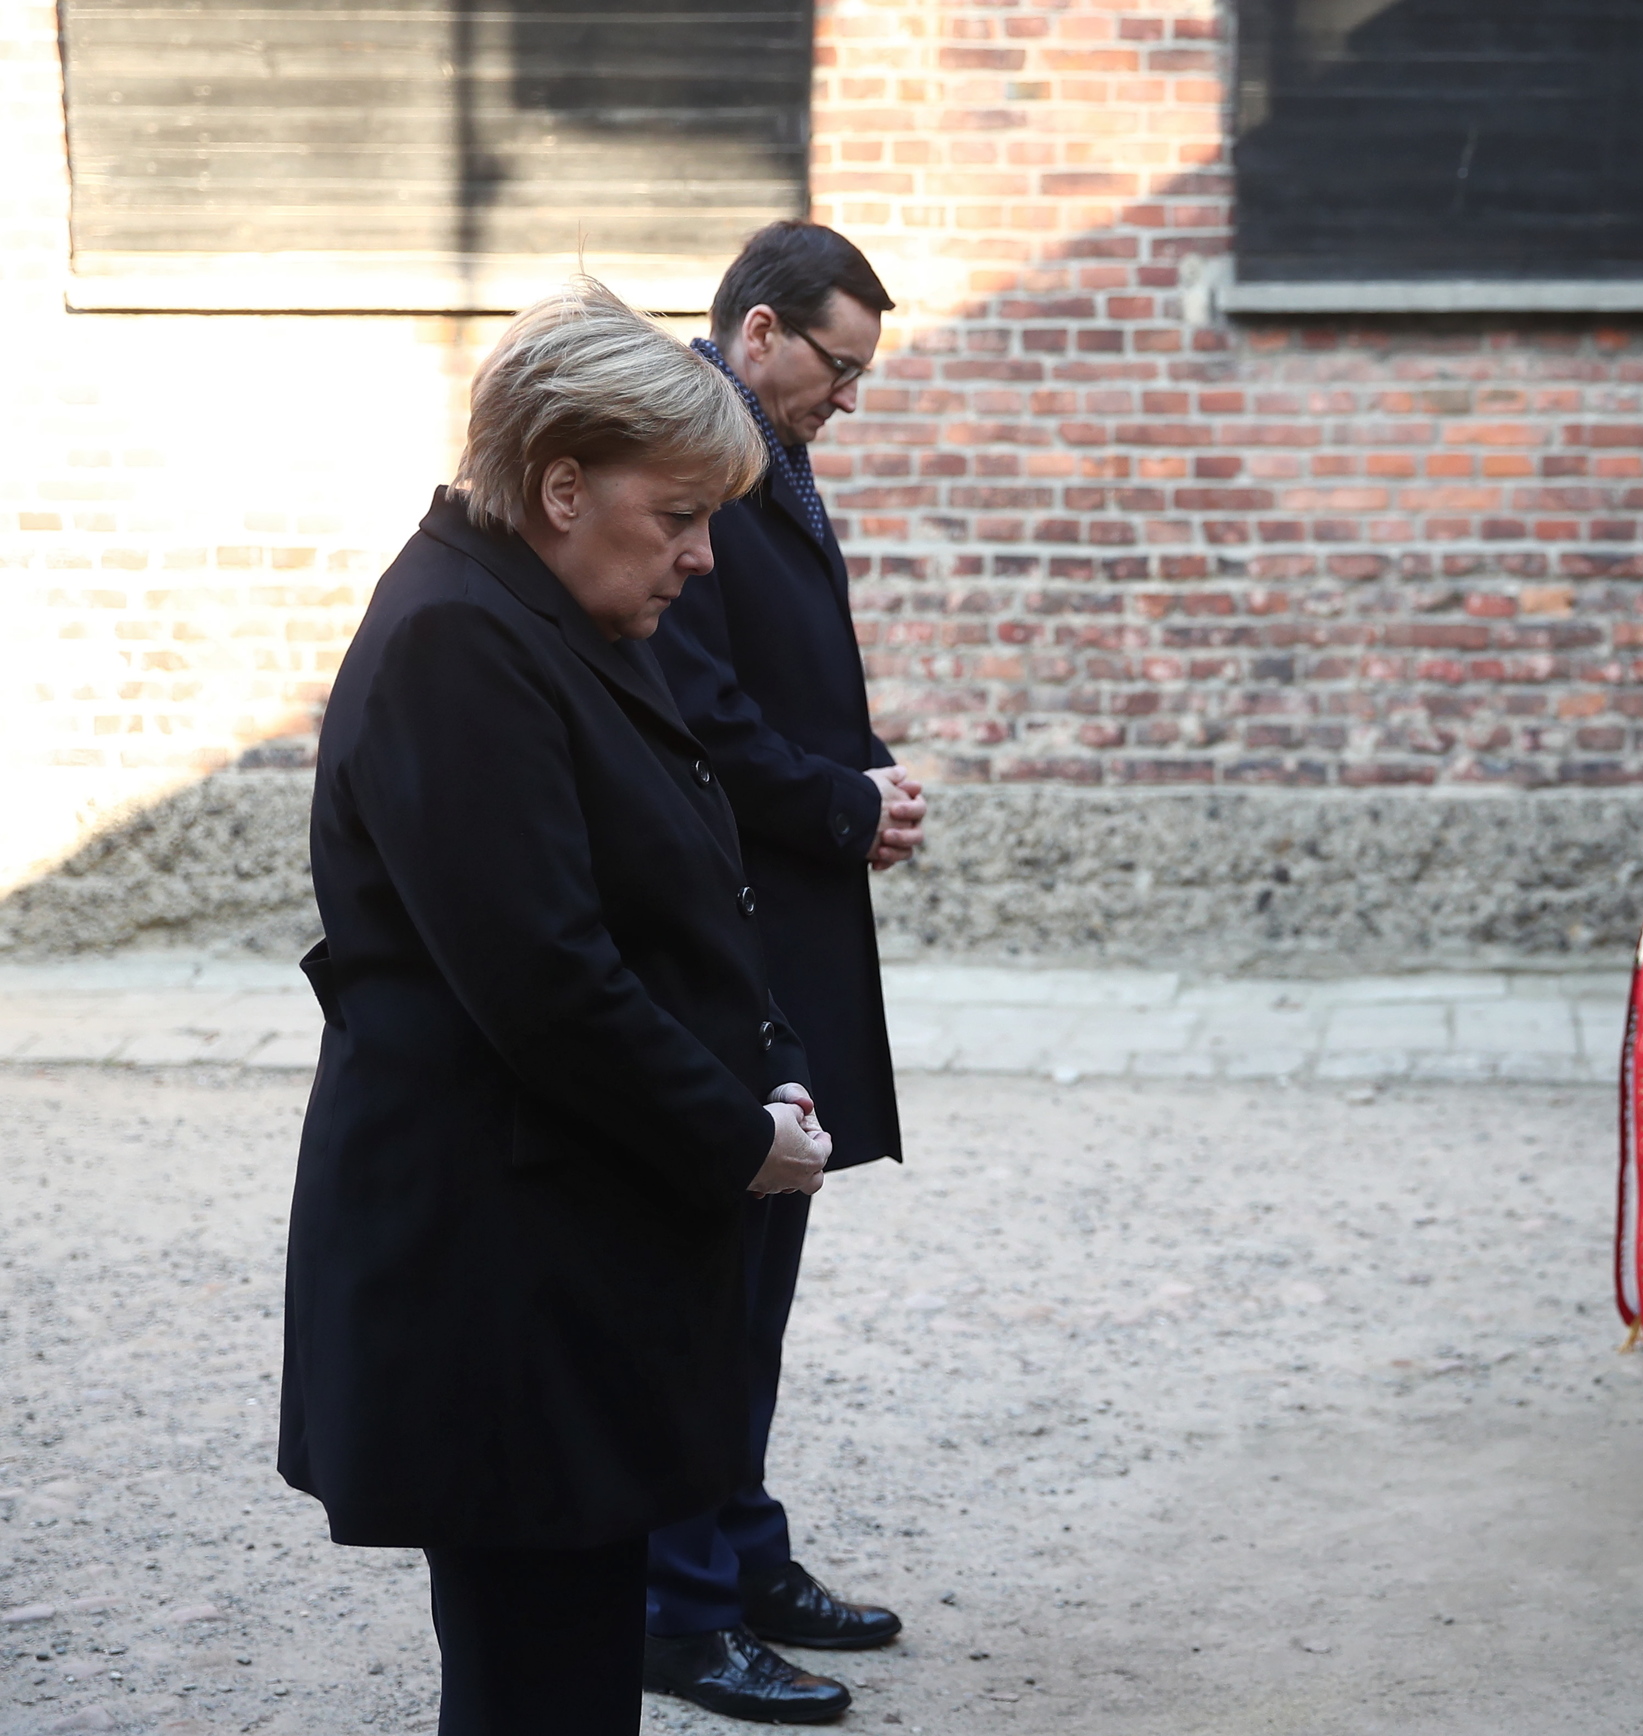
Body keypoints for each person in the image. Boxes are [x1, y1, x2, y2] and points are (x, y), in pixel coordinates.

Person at [277, 279, 840, 1736]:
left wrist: (766, 1068)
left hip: (562, 1256)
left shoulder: (542, 611)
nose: (703, 560)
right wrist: (736, 1133)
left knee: (579, 1667)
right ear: (561, 483)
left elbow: (673, 897)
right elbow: (545, 979)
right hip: (500, 1277)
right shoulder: (459, 644)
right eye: (679, 519)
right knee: (538, 1688)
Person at [637, 218, 924, 1724]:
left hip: (783, 912)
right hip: (728, 930)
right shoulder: (695, 462)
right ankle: (680, 1610)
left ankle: (739, 1557)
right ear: (758, 335)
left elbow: (783, 683)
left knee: (764, 1272)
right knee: (715, 1277)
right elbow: (699, 703)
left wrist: (863, 778)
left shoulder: (758, 451)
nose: (845, 398)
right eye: (837, 366)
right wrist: (837, 800)